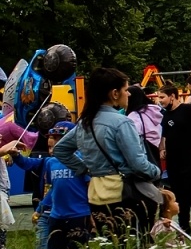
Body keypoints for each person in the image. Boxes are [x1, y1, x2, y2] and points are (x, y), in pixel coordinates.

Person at [53, 67, 164, 238]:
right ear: (114, 93)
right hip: (123, 194)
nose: (128, 94)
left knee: (109, 243)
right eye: (126, 90)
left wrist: (84, 168)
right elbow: (138, 164)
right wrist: (156, 172)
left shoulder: (85, 122)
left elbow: (60, 149)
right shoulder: (121, 122)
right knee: (133, 245)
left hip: (96, 194)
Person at [161, 75, 191, 232]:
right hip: (174, 160)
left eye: (163, 97)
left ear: (172, 96)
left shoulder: (187, 109)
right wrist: (162, 148)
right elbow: (165, 134)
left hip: (190, 158)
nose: (160, 100)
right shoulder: (166, 115)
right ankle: (184, 225)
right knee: (179, 193)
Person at [127, 86, 163, 151]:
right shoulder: (152, 110)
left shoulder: (134, 116)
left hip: (143, 151)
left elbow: (132, 138)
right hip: (155, 147)